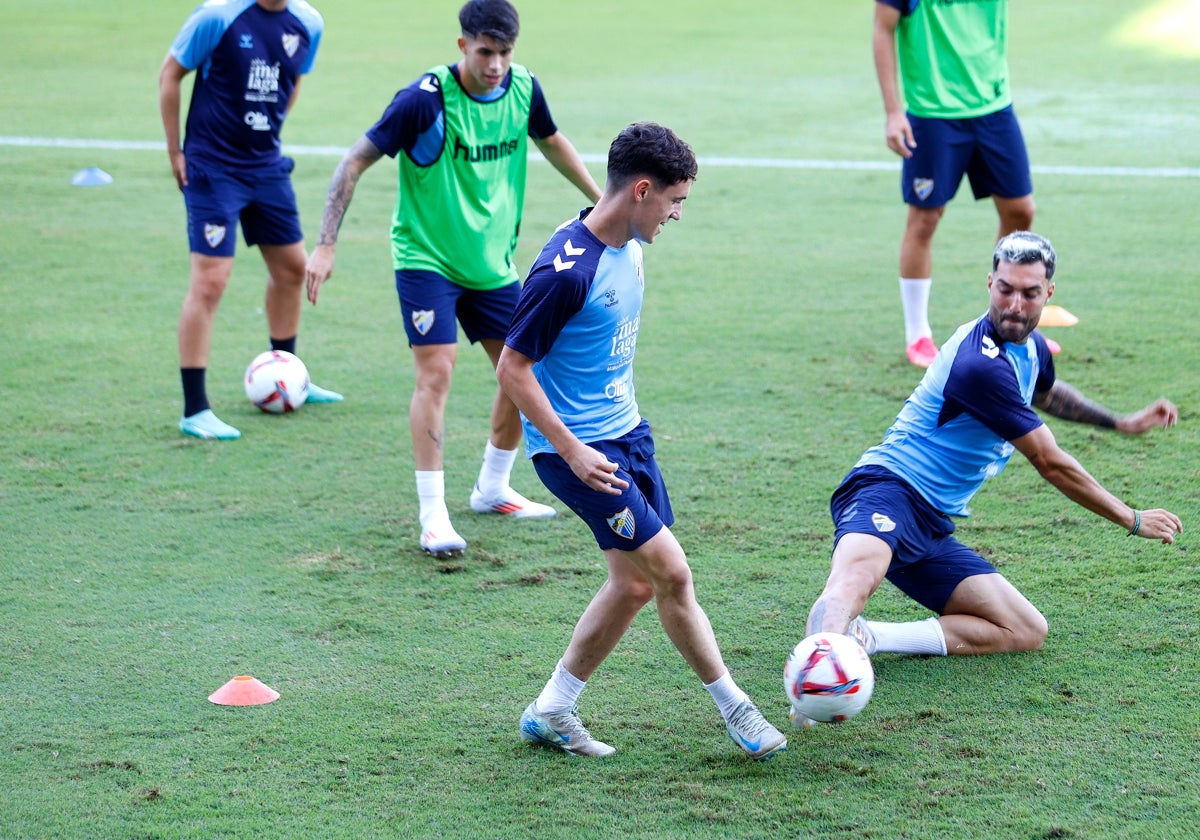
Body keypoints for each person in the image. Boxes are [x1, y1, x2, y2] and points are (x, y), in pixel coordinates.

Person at [802, 231, 1182, 722]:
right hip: (888, 489)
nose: (1015, 305)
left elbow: (1046, 393)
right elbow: (1051, 463)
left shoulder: (1031, 347)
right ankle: (815, 672)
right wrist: (1131, 518)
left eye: (1029, 293)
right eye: (1005, 289)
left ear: (1049, 294)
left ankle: (868, 638)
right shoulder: (978, 366)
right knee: (852, 580)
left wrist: (1120, 422)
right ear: (989, 283)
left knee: (1024, 629)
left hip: (933, 522)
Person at [497, 122, 787, 760]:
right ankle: (737, 709)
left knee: (631, 585)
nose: (677, 214)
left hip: (629, 435)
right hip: (583, 457)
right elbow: (511, 369)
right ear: (642, 190)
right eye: (675, 201)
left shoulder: (629, 241)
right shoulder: (563, 274)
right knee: (673, 575)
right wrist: (570, 449)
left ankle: (552, 710)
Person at [304, 0, 601, 557]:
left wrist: (600, 201)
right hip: (426, 261)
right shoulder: (423, 101)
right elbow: (354, 162)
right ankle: (433, 514)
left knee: (523, 371)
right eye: (485, 52)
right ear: (463, 45)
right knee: (435, 373)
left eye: (505, 53)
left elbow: (552, 140)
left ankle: (492, 487)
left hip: (491, 264)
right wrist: (324, 244)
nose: (495, 64)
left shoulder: (523, 90)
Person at [160, 0, 343, 441]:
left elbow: (292, 81)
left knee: (291, 269)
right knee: (210, 281)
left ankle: (286, 371)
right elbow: (170, 74)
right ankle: (195, 409)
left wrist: (268, 128)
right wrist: (175, 151)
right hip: (213, 167)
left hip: (266, 166)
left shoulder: (309, 22)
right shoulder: (217, 16)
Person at [873, 0, 1041, 368]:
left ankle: (1000, 324)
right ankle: (917, 333)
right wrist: (893, 111)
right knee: (925, 218)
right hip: (933, 113)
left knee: (1020, 211)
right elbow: (882, 29)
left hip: (994, 106)